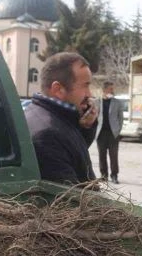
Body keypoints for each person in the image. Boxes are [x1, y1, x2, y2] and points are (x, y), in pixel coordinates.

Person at [25, 52, 99, 184]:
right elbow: (70, 198)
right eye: (85, 85)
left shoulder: (45, 114)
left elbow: (72, 153)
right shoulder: (48, 135)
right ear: (58, 89)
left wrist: (86, 127)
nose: (90, 94)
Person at [95, 81, 124, 183]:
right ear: (104, 90)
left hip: (113, 134)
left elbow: (121, 118)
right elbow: (94, 118)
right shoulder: (97, 102)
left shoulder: (117, 103)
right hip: (100, 134)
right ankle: (103, 176)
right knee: (101, 155)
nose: (112, 90)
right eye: (110, 89)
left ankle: (114, 175)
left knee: (114, 156)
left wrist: (117, 130)